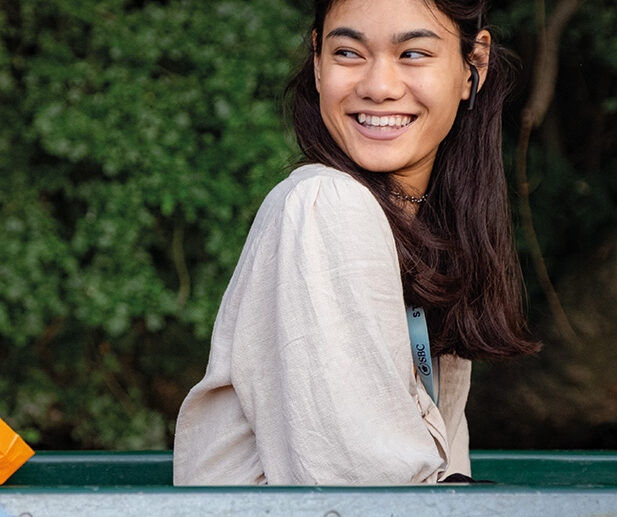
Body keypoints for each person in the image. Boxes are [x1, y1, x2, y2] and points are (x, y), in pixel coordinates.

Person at [173, 0, 540, 485]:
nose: (379, 87)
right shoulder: (327, 203)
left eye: (413, 54)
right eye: (348, 52)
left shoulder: (433, 231)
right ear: (318, 63)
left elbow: (443, 468)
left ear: (473, 67)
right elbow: (364, 494)